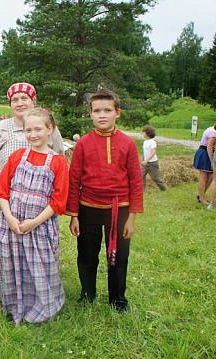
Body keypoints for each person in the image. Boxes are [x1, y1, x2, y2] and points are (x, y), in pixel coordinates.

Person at [66, 89, 143, 313]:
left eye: (107, 110)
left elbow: (136, 182)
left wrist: (132, 218)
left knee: (118, 257)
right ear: (90, 114)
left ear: (117, 113)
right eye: (97, 111)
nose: (102, 115)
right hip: (88, 209)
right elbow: (74, 181)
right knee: (87, 256)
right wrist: (74, 215)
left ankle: (118, 300)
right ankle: (87, 295)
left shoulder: (128, 144)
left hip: (120, 210)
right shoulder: (82, 144)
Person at [0, 82, 65, 299]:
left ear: (34, 100)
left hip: (40, 202)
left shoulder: (49, 129)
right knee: (6, 248)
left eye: (25, 98)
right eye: (14, 99)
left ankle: (39, 295)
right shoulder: (0, 128)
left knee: (38, 248)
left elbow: (57, 156)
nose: (20, 103)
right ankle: (8, 295)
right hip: (5, 197)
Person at [0, 108, 69, 325]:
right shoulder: (18, 156)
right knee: (15, 266)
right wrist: (9, 218)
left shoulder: (57, 161)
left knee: (41, 267)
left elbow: (59, 200)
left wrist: (35, 222)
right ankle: (15, 305)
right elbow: (2, 190)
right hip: (14, 225)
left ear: (50, 129)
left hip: (40, 227)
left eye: (38, 129)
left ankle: (44, 307)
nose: (33, 134)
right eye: (28, 130)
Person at [193, 119, 216, 204]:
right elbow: (209, 147)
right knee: (204, 176)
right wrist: (212, 161)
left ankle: (201, 195)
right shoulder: (213, 133)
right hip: (205, 153)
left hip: (207, 153)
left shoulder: (212, 130)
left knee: (211, 176)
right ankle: (202, 198)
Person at [141, 125, 167, 191]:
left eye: (144, 132)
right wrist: (143, 160)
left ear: (148, 133)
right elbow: (145, 152)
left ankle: (164, 189)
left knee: (155, 178)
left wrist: (146, 160)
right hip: (145, 163)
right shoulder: (145, 142)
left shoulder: (152, 142)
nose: (142, 134)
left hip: (152, 163)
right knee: (141, 175)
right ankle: (142, 190)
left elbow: (153, 152)